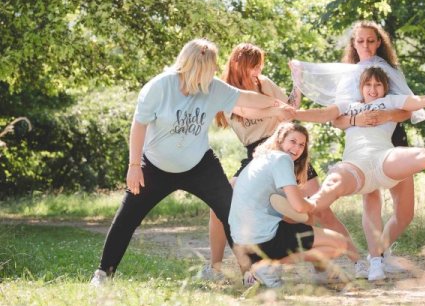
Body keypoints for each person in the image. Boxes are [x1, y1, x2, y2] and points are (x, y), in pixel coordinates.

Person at [90, 38, 290, 286]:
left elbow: (247, 99)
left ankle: (250, 272)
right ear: (192, 65)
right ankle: (103, 274)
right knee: (127, 217)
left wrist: (278, 106)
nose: (213, 72)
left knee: (232, 213)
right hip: (155, 166)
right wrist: (134, 166)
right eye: (209, 67)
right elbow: (139, 124)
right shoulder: (159, 87)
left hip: (200, 165)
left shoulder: (213, 87)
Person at [276, 66, 425, 281]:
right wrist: (295, 113)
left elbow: (421, 101)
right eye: (368, 84)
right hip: (356, 165)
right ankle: (305, 208)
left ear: (385, 88)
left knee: (422, 156)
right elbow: (323, 114)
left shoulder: (391, 103)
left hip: (383, 158)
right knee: (333, 183)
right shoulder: (348, 106)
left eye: (378, 84)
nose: (373, 89)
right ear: (361, 87)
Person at [202, 43, 354, 280]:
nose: (256, 72)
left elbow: (291, 107)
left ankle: (342, 263)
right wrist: (275, 111)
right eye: (252, 67)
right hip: (256, 155)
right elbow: (251, 111)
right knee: (220, 206)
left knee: (319, 209)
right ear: (236, 64)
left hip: (287, 148)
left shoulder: (265, 83)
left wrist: (298, 81)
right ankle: (216, 267)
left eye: (259, 66)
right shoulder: (226, 91)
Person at [290, 21, 425, 278]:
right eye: (360, 40)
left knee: (405, 212)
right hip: (363, 145)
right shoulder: (348, 75)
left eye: (371, 40)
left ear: (379, 43)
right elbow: (336, 118)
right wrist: (357, 119)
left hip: (393, 139)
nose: (366, 45)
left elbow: (408, 110)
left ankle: (381, 253)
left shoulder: (392, 72)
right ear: (354, 44)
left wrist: (386, 114)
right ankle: (376, 260)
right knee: (372, 200)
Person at [230, 122, 349, 287]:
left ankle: (317, 271)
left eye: (301, 145)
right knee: (339, 243)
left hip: (242, 239)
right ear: (280, 140)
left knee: (307, 219)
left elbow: (291, 207)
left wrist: (306, 210)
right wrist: (318, 201)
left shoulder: (262, 159)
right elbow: (299, 206)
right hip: (264, 238)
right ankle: (268, 268)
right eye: (292, 141)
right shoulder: (281, 159)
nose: (297, 148)